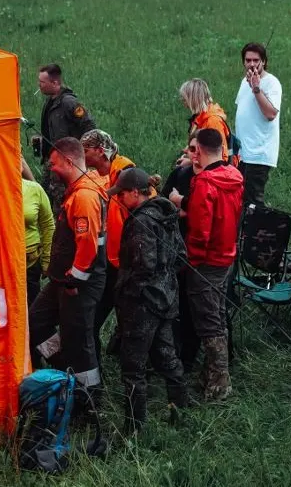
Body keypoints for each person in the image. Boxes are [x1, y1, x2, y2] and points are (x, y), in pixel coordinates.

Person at [108, 168, 188, 432]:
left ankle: (133, 428)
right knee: (168, 359)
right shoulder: (166, 213)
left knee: (133, 368)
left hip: (142, 304)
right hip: (166, 297)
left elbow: (142, 265)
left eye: (121, 194)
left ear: (134, 192)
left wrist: (128, 293)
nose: (118, 199)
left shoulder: (141, 221)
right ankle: (180, 413)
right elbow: (181, 256)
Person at [28, 137, 108, 394]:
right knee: (37, 322)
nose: (50, 168)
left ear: (69, 161)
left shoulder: (84, 196)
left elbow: (87, 245)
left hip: (78, 285)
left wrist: (74, 281)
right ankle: (64, 370)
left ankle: (89, 400)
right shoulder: (77, 190)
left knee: (79, 341)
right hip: (62, 280)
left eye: (53, 163)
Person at [185, 128, 244, 401]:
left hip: (206, 262)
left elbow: (200, 230)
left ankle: (220, 383)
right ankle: (210, 375)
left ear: (198, 151)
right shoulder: (234, 176)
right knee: (217, 316)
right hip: (227, 256)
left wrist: (191, 261)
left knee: (209, 323)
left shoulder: (204, 184)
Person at [80, 129, 137, 359]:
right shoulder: (110, 175)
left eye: (85, 150)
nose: (82, 155)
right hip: (112, 262)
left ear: (100, 151)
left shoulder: (125, 172)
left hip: (126, 263)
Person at [33, 64, 97, 215]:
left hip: (66, 161)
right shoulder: (50, 102)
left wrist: (79, 151)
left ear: (55, 83)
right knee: (45, 195)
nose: (39, 85)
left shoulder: (69, 103)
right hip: (53, 158)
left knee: (60, 199)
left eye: (42, 82)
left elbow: (89, 126)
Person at [164, 134, 202, 373]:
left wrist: (183, 206)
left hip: (202, 252)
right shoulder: (181, 174)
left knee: (197, 306)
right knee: (178, 303)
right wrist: (179, 209)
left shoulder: (213, 178)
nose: (191, 154)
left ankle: (194, 357)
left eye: (196, 149)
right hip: (178, 247)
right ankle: (179, 355)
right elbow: (164, 201)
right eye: (189, 149)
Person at [234, 42, 281, 207]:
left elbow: (271, 114)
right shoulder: (243, 82)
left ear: (264, 62)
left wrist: (256, 88)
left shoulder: (271, 83)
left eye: (256, 60)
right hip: (242, 153)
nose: (252, 64)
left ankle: (261, 232)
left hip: (259, 153)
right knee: (240, 199)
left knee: (253, 202)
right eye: (248, 60)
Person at [23, 162, 55, 307]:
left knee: (32, 310)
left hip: (30, 262)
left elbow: (48, 225)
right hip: (3, 263)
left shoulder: (34, 190)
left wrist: (47, 260)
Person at [180, 78, 232, 162]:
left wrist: (190, 162)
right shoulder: (199, 118)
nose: (182, 100)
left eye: (185, 98)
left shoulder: (213, 121)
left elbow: (221, 158)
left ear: (194, 99)